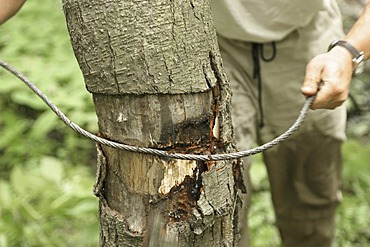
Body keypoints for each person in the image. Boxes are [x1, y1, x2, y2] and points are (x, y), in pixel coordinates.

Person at [211, 0, 370, 246]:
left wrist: (347, 52)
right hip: (215, 43)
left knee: (309, 199)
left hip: (309, 41)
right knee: (216, 202)